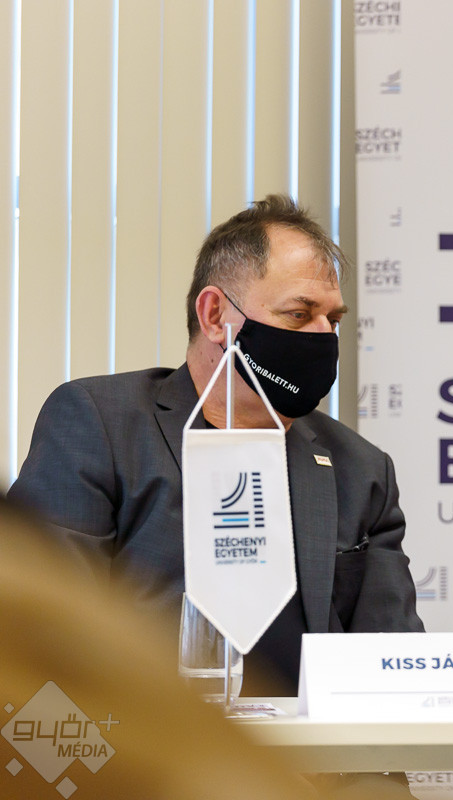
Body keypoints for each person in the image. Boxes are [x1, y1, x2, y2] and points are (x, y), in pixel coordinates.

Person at [8, 195, 423, 697]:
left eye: (333, 320)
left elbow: (394, 670)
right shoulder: (101, 425)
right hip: (146, 738)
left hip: (314, 745)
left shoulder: (361, 469)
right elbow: (34, 640)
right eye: (299, 314)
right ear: (214, 315)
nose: (323, 337)